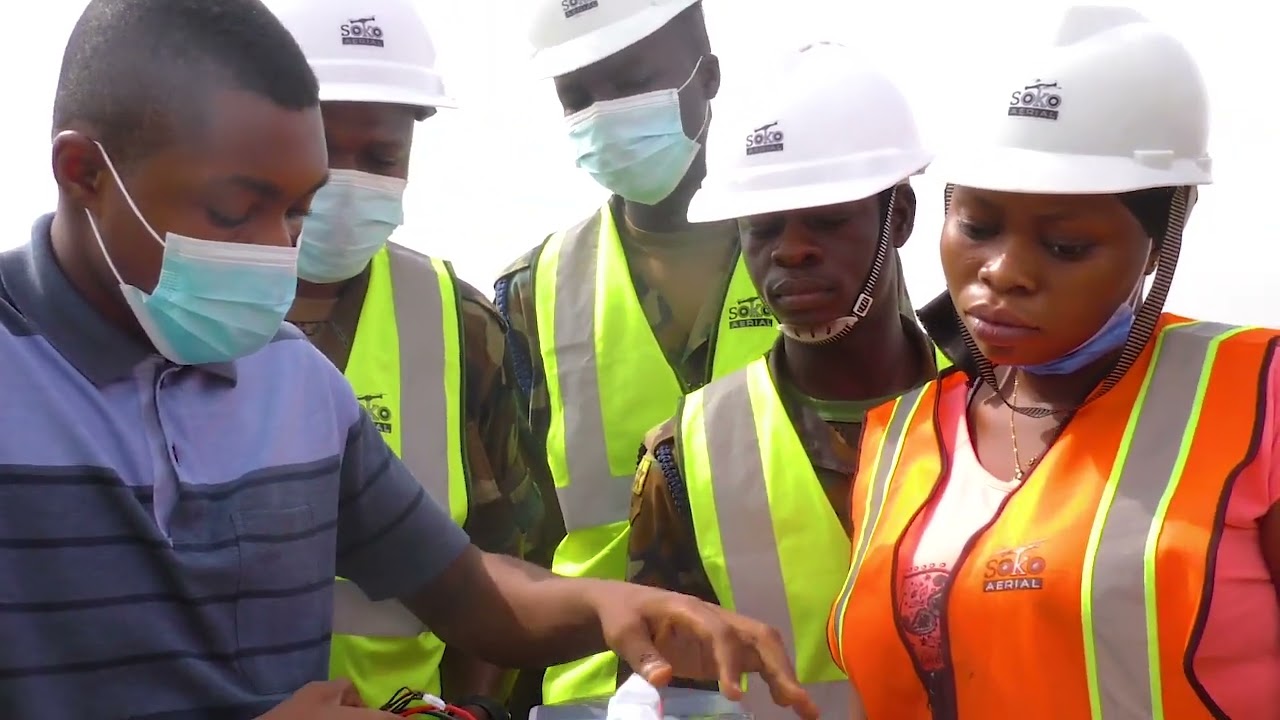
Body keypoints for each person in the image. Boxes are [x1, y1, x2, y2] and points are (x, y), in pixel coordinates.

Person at [0, 0, 828, 717]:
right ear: (84, 172)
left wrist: (619, 605)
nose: (276, 255)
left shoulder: (294, 383)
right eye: (234, 209)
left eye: (294, 211)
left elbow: (469, 591)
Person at [826, 6, 1280, 719]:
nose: (1002, 272)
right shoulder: (899, 436)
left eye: (1066, 246)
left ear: (1163, 238)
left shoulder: (1260, 397)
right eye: (976, 226)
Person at [627, 42, 940, 720]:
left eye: (828, 221)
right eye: (763, 228)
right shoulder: (686, 456)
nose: (792, 249)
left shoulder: (1007, 417)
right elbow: (677, 693)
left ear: (902, 218)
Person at [493, 0, 777, 709]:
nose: (604, 113)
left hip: (784, 682)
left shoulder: (817, 256)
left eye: (628, 84)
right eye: (578, 98)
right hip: (597, 693)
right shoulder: (535, 290)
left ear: (706, 78)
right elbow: (523, 543)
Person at [263, 1, 543, 715]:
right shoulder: (191, 309)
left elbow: (506, 550)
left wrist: (472, 709)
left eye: (381, 158)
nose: (349, 180)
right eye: (327, 151)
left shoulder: (460, 323)